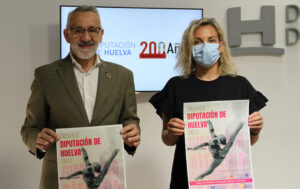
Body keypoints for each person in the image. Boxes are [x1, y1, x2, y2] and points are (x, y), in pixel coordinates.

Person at [20, 6, 140, 189]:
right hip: (58, 179)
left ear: (101, 34)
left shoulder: (123, 76)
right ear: (67, 35)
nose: (86, 37)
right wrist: (36, 138)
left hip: (106, 182)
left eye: (92, 30)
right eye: (78, 30)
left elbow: (129, 118)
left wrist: (133, 131)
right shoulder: (45, 76)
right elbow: (29, 128)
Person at [149, 18, 268, 189]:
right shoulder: (176, 86)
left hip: (229, 182)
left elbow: (247, 141)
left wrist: (255, 130)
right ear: (190, 48)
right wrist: (172, 132)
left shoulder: (240, 85)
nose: (205, 46)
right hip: (186, 179)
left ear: (220, 46)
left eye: (211, 40)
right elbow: (167, 138)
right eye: (197, 42)